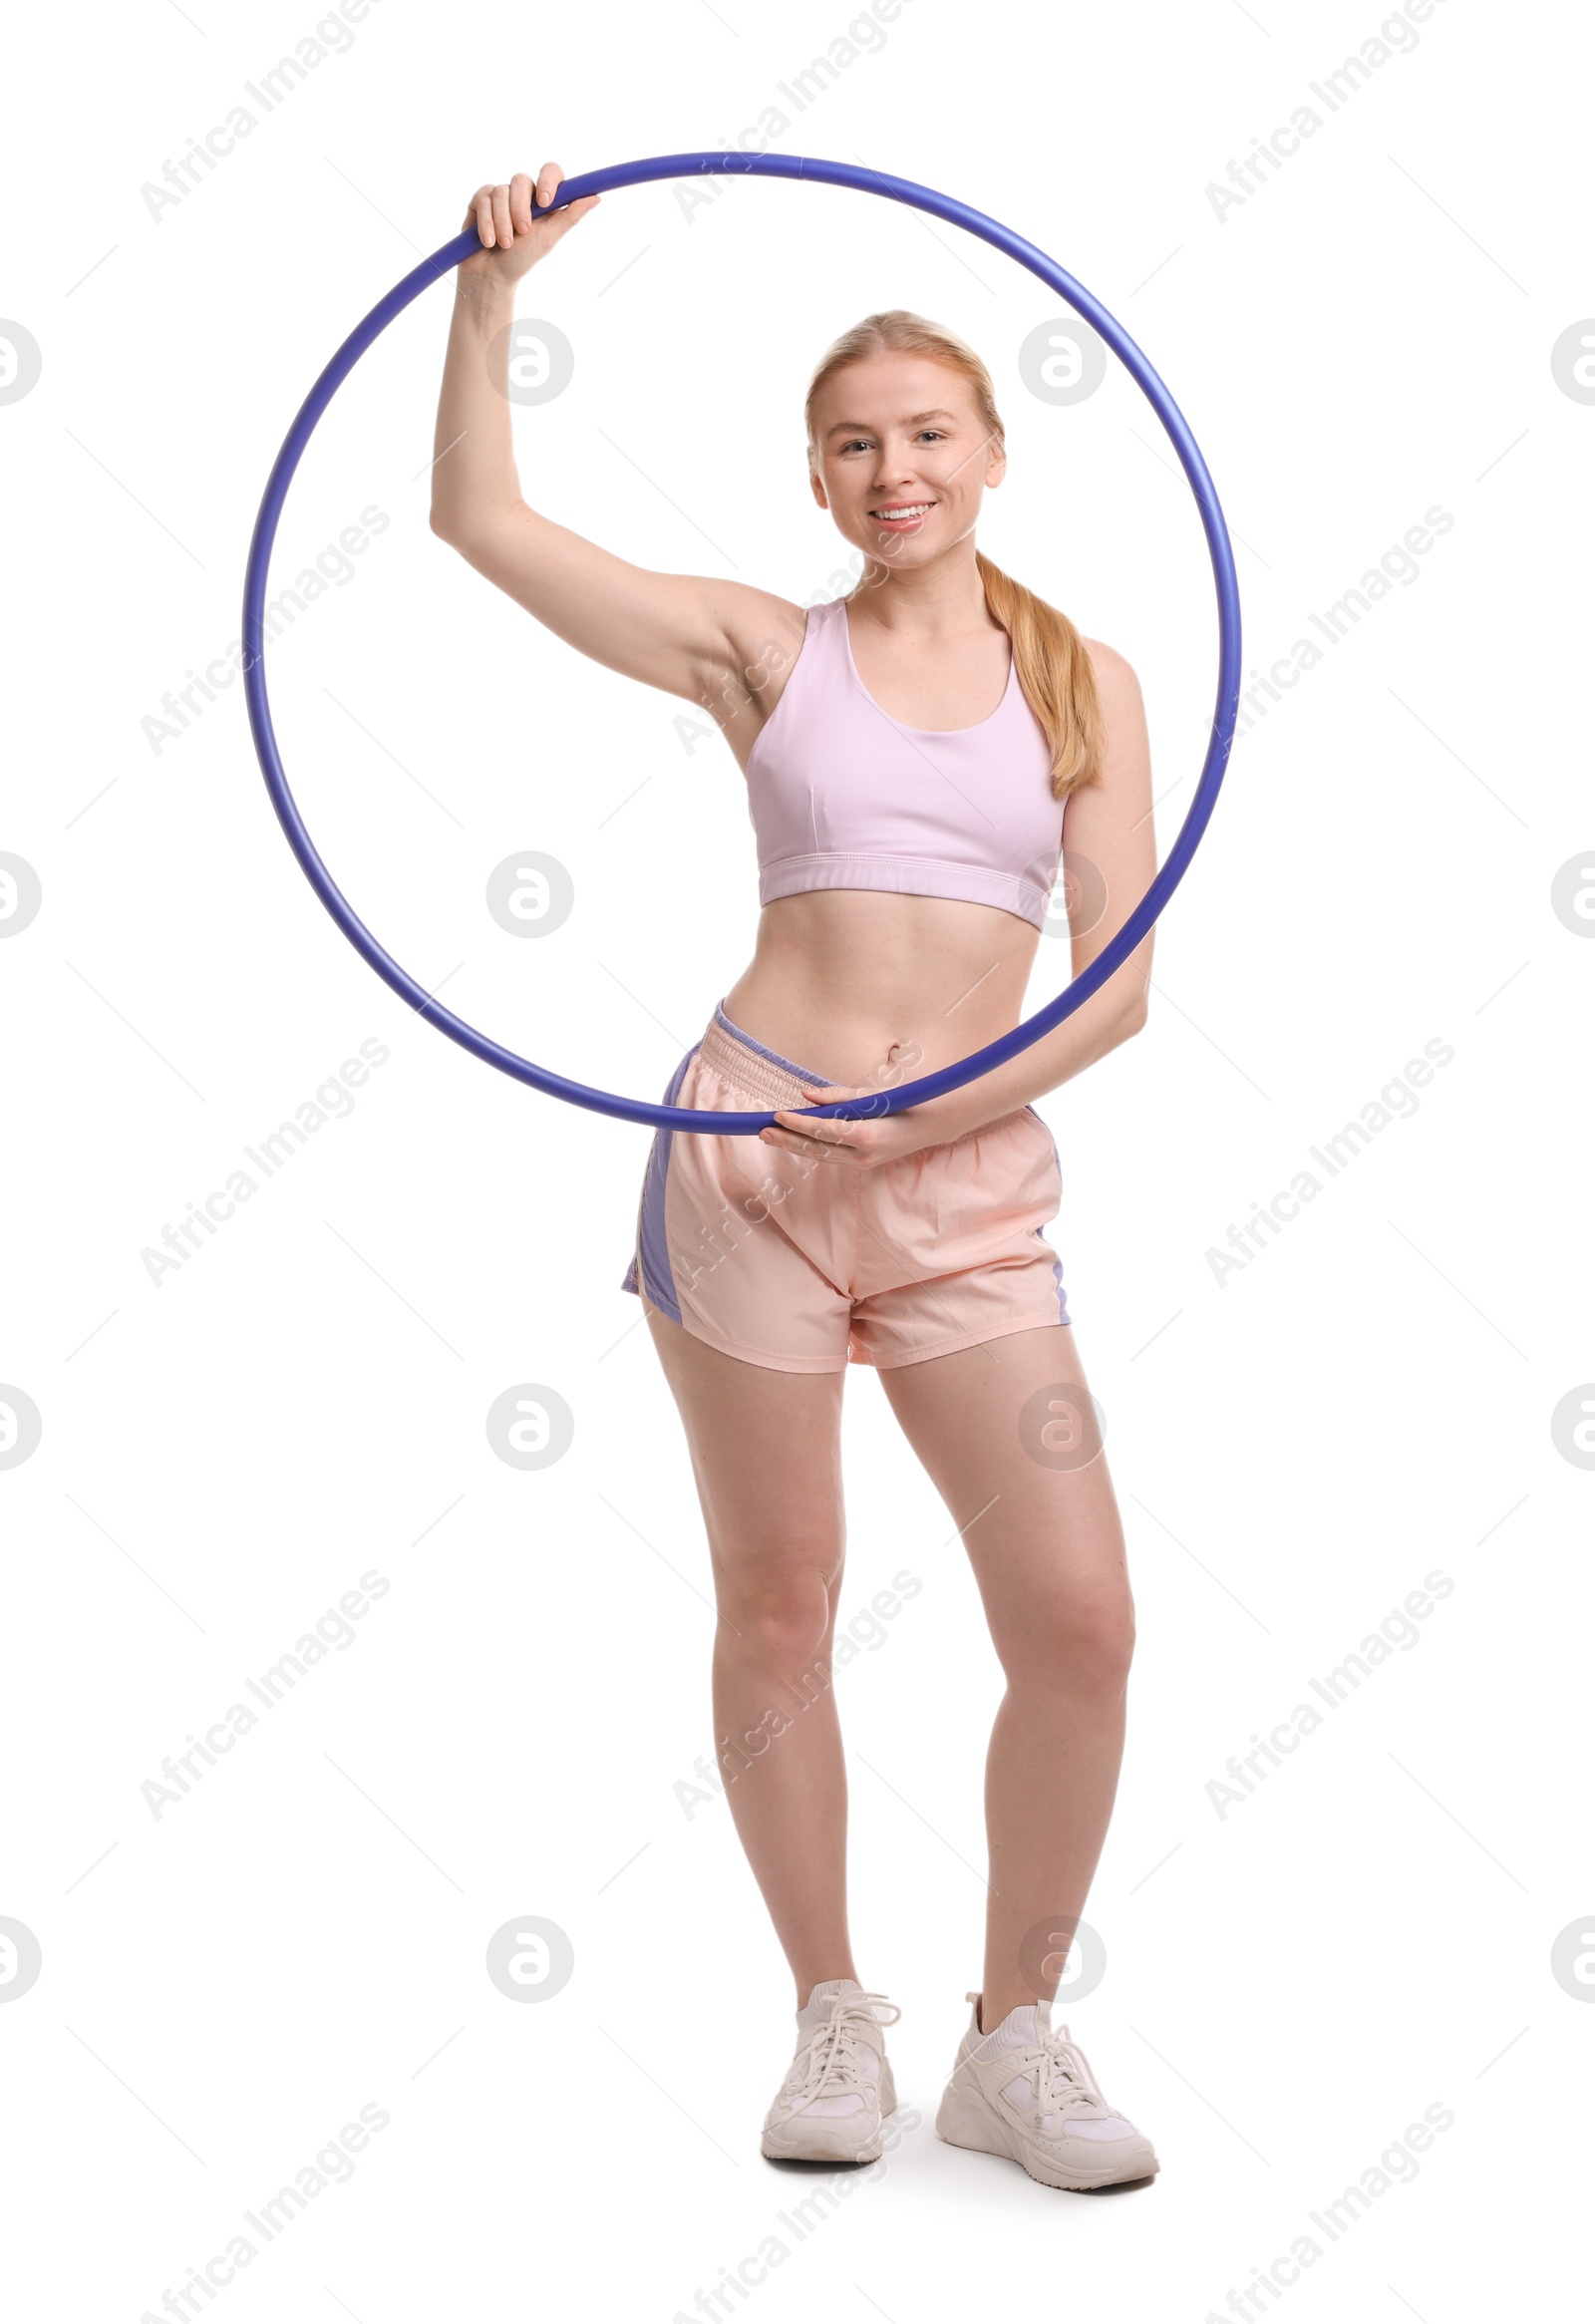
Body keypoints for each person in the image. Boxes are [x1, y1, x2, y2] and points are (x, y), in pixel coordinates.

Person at [432, 164, 1160, 2193]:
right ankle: (829, 2010)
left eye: (927, 431)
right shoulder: (766, 649)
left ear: (991, 453)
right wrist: (492, 301)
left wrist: (930, 1124)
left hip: (963, 1185)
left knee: (1080, 1619)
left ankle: (1009, 2037)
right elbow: (479, 526)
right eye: (855, 444)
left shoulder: (1081, 676)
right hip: (744, 1159)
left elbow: (1115, 987)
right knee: (779, 1599)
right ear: (820, 483)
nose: (893, 466)